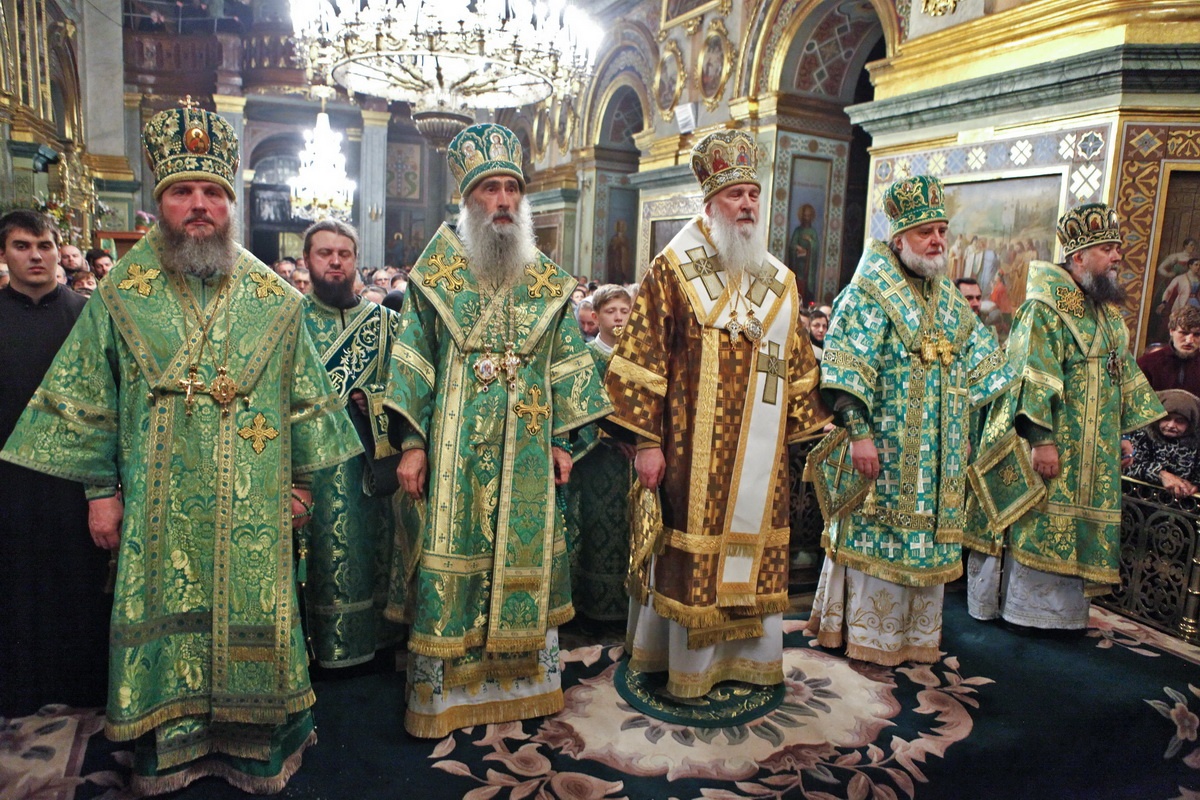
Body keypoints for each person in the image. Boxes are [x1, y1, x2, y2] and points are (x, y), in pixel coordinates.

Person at [0, 102, 362, 794]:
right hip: (155, 506)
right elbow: (90, 400)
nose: (199, 206)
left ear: (230, 204)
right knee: (163, 623)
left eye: (213, 193)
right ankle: (168, 747)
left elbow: (303, 401)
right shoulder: (120, 294)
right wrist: (100, 493)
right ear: (159, 201)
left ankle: (255, 747)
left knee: (256, 618)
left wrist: (302, 484)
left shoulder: (274, 298)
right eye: (182, 192)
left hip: (254, 504)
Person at [381, 123, 611, 738]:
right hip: (453, 447)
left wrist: (562, 441)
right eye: (490, 189)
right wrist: (412, 444)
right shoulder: (436, 273)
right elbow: (413, 361)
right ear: (468, 200)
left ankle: (525, 687)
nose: (503, 200)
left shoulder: (547, 280)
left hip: (529, 447)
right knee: (451, 549)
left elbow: (566, 364)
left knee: (523, 555)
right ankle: (443, 698)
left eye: (512, 188)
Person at [603, 129, 831, 700]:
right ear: (710, 203)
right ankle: (681, 664)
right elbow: (642, 357)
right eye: (736, 195)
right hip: (689, 454)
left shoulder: (779, 279)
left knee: (755, 550)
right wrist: (647, 442)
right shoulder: (672, 268)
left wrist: (818, 423)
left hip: (760, 458)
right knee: (688, 553)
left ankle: (750, 660)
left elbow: (799, 364)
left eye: (754, 194)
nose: (748, 205)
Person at [807, 175, 1013, 666]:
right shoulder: (868, 292)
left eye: (942, 231)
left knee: (924, 546)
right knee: (876, 539)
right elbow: (844, 367)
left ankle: (912, 640)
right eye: (926, 232)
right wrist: (859, 435)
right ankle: (864, 635)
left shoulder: (949, 299)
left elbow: (982, 371)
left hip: (937, 461)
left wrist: (966, 434)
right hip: (884, 450)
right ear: (899, 238)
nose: (937, 240)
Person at [965, 203, 1164, 634]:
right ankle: (1024, 614)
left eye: (1117, 248)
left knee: (1078, 533)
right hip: (1054, 446)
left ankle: (1064, 618)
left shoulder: (1106, 313)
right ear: (1079, 257)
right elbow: (1031, 375)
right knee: (1039, 524)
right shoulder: (1044, 307)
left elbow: (1119, 375)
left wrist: (1121, 434)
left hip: (1094, 451)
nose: (1117, 256)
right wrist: (1041, 439)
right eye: (1108, 249)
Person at [0, 210, 109, 715]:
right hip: (9, 479)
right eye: (22, 246)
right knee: (15, 579)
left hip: (73, 478)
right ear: (5, 254)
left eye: (44, 245)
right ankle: (19, 686)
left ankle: (81, 684)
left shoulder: (87, 315)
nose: (36, 256)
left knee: (77, 579)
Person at [298, 218, 404, 669]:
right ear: (308, 260)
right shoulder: (288, 320)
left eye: (344, 254)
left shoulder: (387, 324)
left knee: (370, 558)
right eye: (325, 253)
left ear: (357, 260)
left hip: (370, 472)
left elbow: (412, 391)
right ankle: (313, 652)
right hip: (308, 473)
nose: (335, 262)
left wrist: (376, 400)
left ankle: (374, 647)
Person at [569, 284, 636, 621]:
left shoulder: (638, 357)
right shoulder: (586, 356)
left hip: (635, 461)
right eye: (611, 312)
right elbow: (579, 408)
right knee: (597, 526)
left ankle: (627, 608)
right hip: (598, 461)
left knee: (629, 529)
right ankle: (594, 609)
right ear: (596, 317)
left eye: (624, 311)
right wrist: (608, 436)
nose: (619, 317)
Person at [1124, 389, 1200, 499]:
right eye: (1166, 418)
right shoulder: (1143, 435)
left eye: (1179, 421)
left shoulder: (1196, 442)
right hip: (1140, 499)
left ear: (1190, 424)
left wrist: (1194, 486)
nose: (1171, 425)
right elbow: (1128, 466)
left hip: (1181, 504)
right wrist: (1160, 474)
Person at [1138, 305, 1200, 397]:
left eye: (1197, 334)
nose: (1189, 340)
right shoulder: (1146, 364)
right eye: (1184, 333)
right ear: (1171, 331)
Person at [787, 203, 820, 302]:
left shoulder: (813, 232)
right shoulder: (798, 230)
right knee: (798, 285)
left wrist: (810, 241)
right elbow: (792, 245)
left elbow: (816, 247)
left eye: (808, 216)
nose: (806, 218)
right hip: (798, 264)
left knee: (807, 287)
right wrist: (798, 248)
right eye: (805, 215)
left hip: (808, 266)